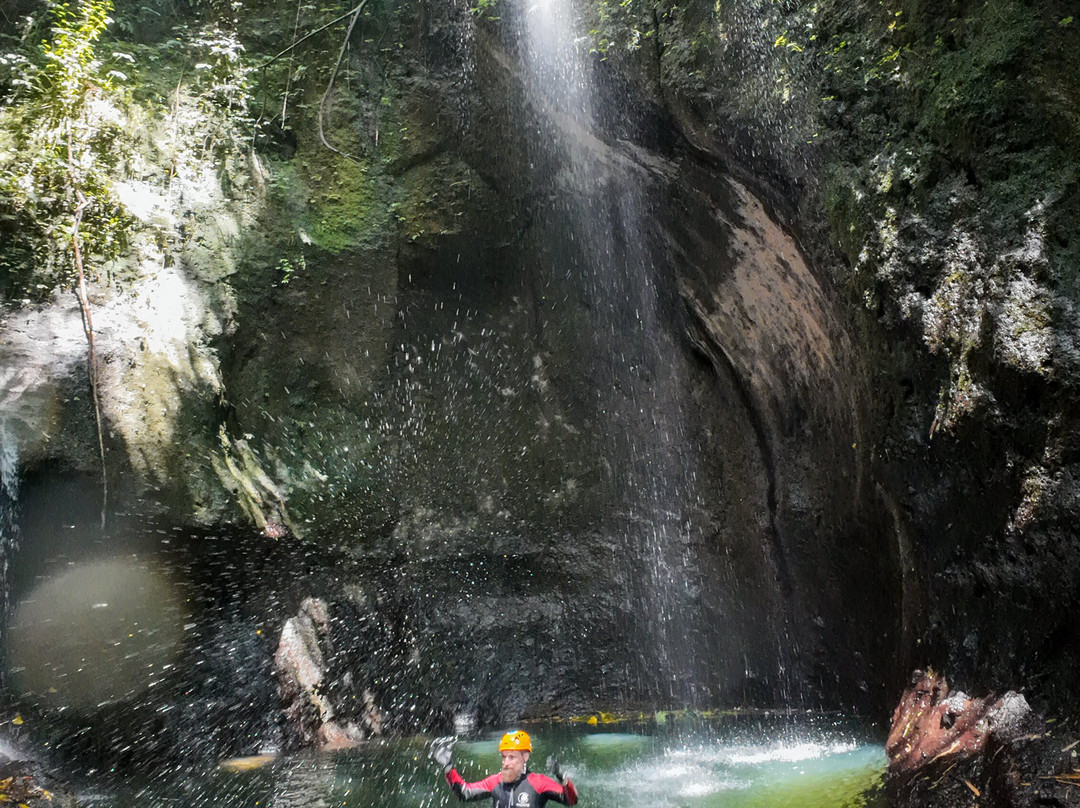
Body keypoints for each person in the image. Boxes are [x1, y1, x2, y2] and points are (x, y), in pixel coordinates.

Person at [431, 729, 578, 807]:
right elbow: (464, 793)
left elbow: (570, 800)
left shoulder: (538, 783)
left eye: (511, 757)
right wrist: (448, 767)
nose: (505, 762)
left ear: (525, 757)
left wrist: (562, 776)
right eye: (503, 757)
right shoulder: (495, 781)